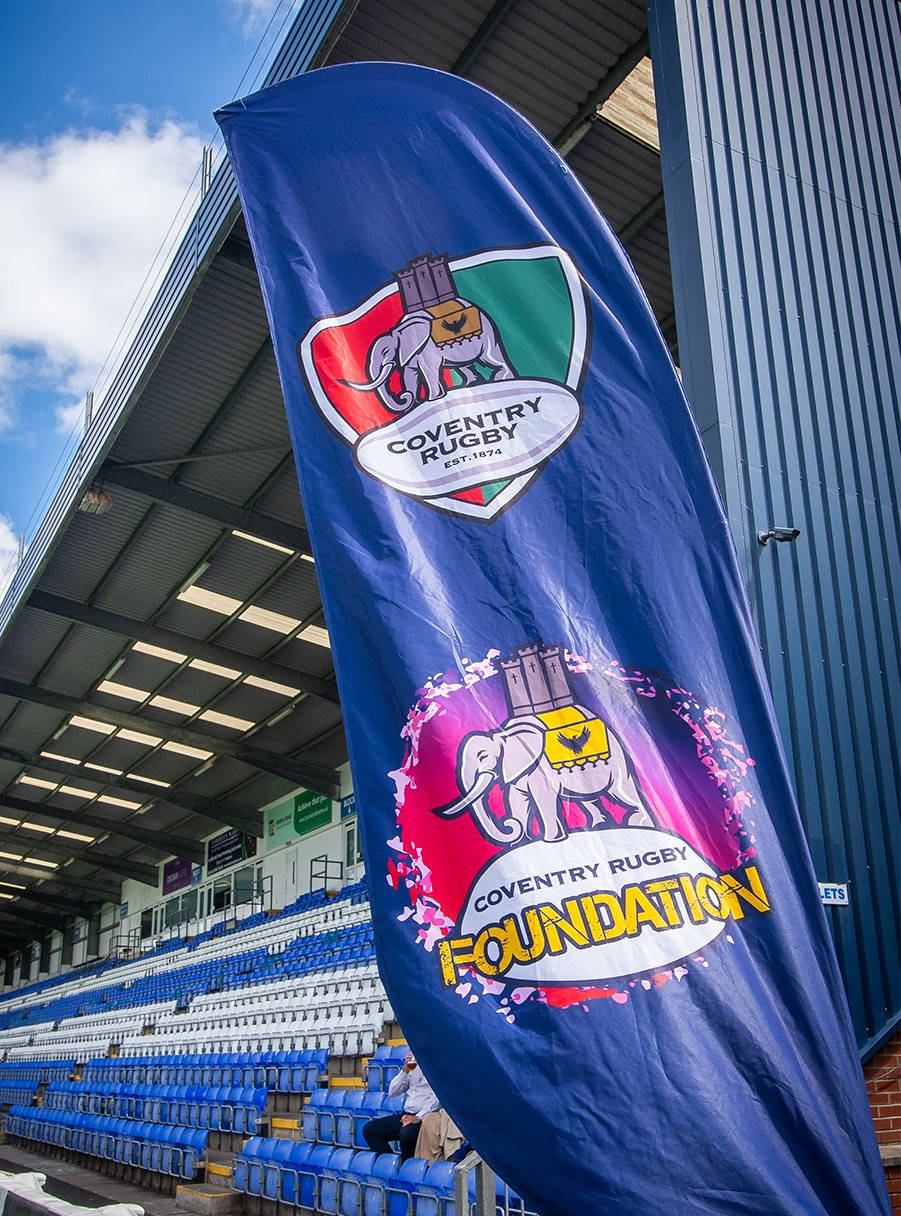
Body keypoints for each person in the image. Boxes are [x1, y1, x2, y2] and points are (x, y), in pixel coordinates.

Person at [363, 1050, 439, 1161]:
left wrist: (418, 1117)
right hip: (407, 1114)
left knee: (406, 1134)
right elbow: (393, 1092)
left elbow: (438, 1099)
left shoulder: (438, 1066)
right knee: (370, 1130)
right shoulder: (413, 1064)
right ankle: (390, 1164)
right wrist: (405, 1071)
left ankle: (407, 1167)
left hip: (426, 1117)